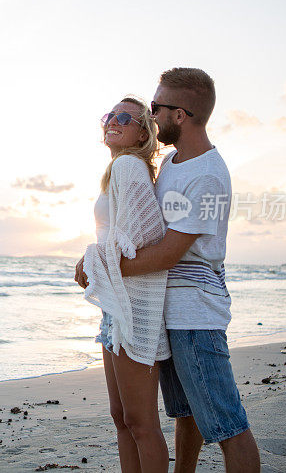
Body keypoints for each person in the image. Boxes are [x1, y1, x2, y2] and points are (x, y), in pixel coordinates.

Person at [119, 68, 261, 473]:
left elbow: (167, 253)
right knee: (186, 414)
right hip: (170, 310)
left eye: (156, 107)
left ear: (180, 114)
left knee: (228, 424)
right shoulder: (172, 163)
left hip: (195, 313)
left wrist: (107, 267)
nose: (152, 115)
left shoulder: (208, 174)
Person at [74, 96, 170, 473]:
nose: (113, 120)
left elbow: (147, 235)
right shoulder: (120, 169)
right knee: (122, 418)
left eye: (125, 117)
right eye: (109, 115)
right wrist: (95, 256)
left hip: (133, 309)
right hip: (118, 307)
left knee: (141, 423)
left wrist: (92, 258)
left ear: (143, 131)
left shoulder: (129, 166)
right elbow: (121, 236)